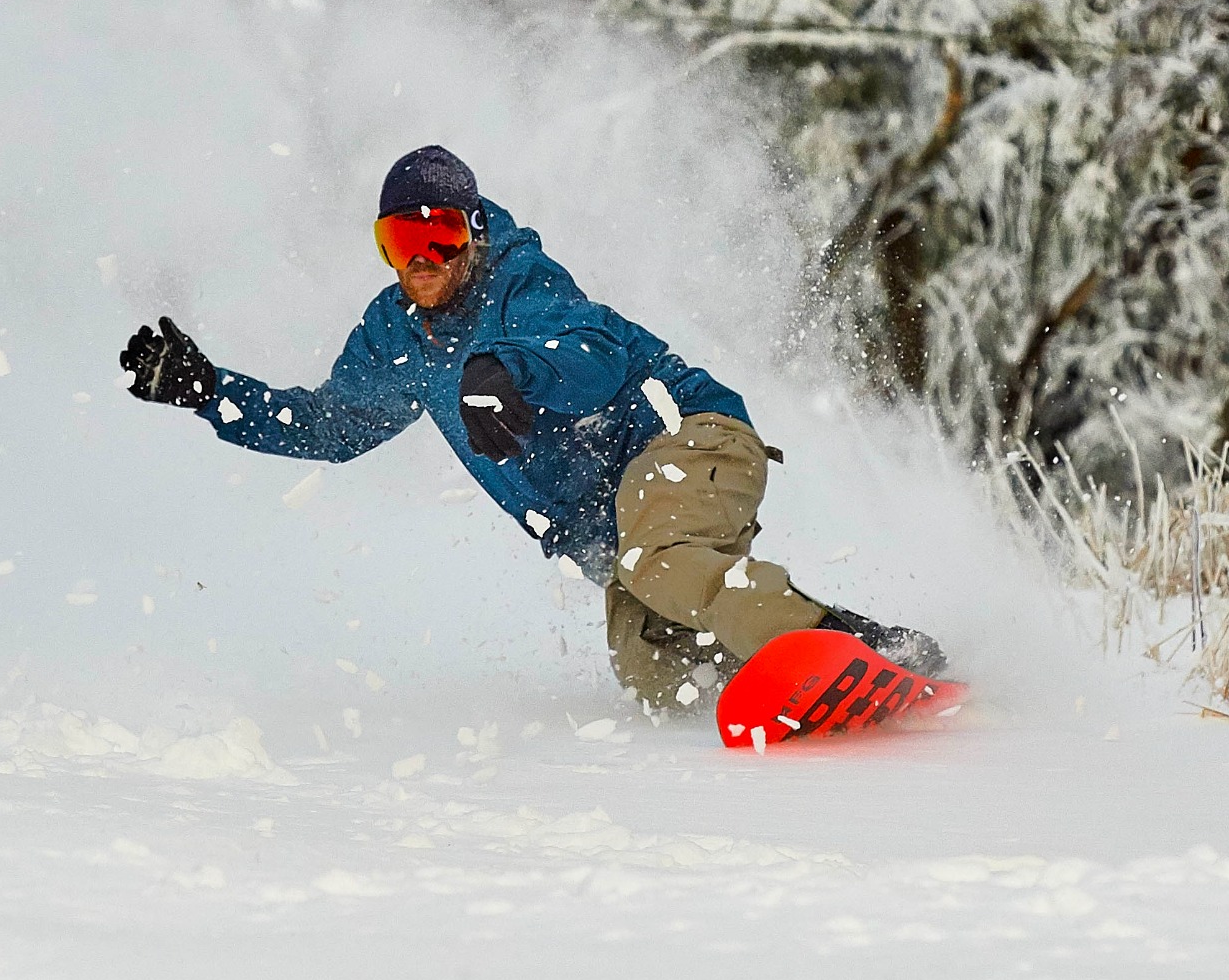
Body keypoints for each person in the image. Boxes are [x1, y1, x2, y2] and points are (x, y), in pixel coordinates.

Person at [121, 145, 945, 711]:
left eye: (440, 234)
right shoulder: (394, 335)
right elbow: (333, 428)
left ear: (473, 234)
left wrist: (507, 369)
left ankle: (859, 648)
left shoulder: (523, 281)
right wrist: (208, 393)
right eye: (399, 240)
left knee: (655, 562)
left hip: (684, 437)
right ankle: (802, 695)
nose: (422, 259)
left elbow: (589, 352)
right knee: (654, 668)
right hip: (611, 527)